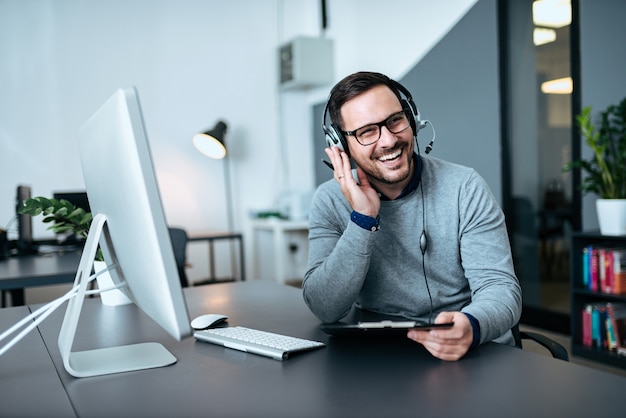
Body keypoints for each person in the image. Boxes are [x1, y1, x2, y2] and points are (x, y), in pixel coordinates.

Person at [303, 71, 522, 361]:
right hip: (384, 359)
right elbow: (325, 307)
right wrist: (363, 219)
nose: (388, 140)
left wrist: (472, 325)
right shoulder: (329, 200)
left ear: (412, 120)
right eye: (367, 131)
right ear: (342, 145)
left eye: (395, 120)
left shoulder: (465, 187)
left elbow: (500, 288)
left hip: (468, 350)